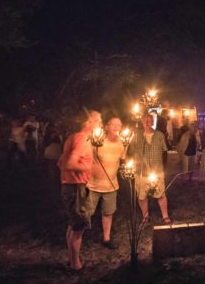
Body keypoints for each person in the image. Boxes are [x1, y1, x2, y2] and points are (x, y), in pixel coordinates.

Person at [58, 110, 101, 271]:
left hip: (69, 186)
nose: (100, 124)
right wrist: (88, 167)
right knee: (79, 228)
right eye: (98, 121)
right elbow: (68, 164)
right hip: (76, 188)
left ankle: (72, 261)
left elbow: (60, 161)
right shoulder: (83, 139)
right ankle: (76, 265)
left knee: (73, 225)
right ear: (88, 123)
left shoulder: (72, 137)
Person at [87, 117, 125, 249]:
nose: (116, 127)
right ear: (107, 127)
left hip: (111, 186)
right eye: (113, 124)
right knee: (87, 213)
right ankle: (80, 236)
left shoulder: (122, 143)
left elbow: (123, 160)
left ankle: (106, 238)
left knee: (108, 213)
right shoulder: (98, 141)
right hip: (93, 185)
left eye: (119, 125)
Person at [129, 114, 171, 225]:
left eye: (149, 121)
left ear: (153, 122)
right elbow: (131, 152)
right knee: (142, 196)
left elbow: (164, 152)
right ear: (142, 122)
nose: (147, 122)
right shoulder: (137, 136)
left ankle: (165, 216)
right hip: (141, 172)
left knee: (161, 194)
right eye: (145, 120)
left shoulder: (160, 135)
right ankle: (145, 216)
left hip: (157, 171)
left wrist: (163, 169)